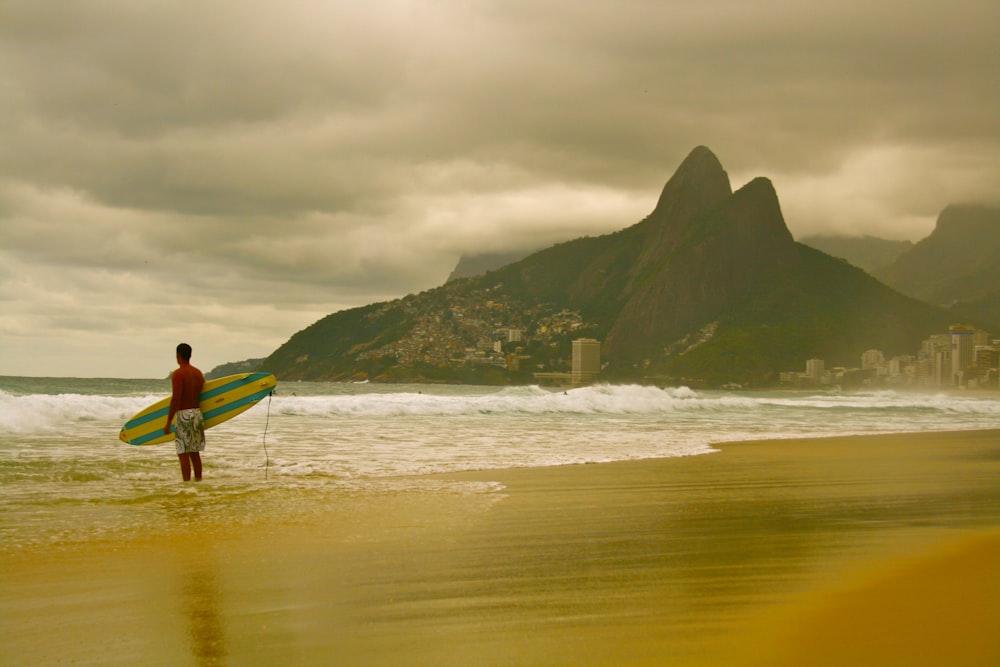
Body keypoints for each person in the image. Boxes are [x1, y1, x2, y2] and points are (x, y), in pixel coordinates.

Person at [165, 343, 206, 481]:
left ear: (178, 356)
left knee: (183, 453)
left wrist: (168, 422)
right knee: (195, 453)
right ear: (190, 355)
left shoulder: (178, 374)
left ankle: (187, 486)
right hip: (197, 414)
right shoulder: (198, 373)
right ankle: (199, 482)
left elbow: (176, 399)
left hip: (184, 415)